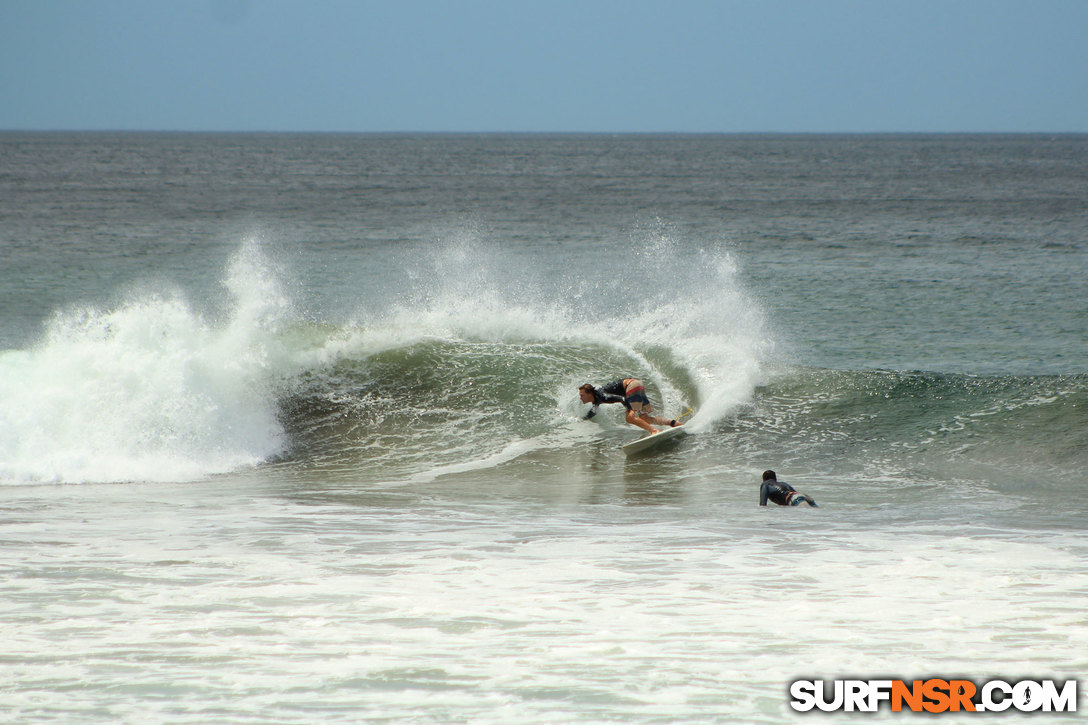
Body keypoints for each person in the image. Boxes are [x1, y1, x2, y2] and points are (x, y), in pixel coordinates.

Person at [578, 378, 681, 435]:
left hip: (631, 386)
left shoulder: (602, 396)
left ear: (589, 393)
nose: (580, 398)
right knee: (645, 418)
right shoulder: (597, 400)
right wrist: (582, 419)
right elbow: (593, 412)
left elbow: (622, 399)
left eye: (582, 395)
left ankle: (654, 431)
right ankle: (673, 423)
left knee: (630, 418)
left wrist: (630, 410)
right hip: (637, 384)